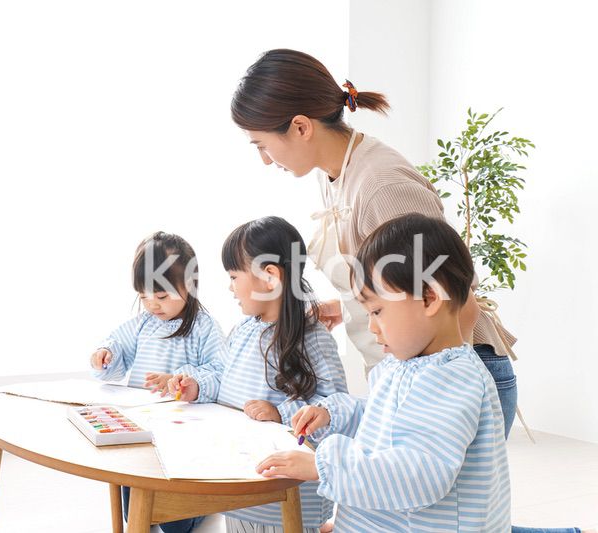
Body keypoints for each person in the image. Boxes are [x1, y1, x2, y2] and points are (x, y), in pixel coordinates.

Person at [232, 48, 591, 533]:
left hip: (452, 364)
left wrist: (328, 465)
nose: (264, 159)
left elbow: (451, 294)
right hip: (413, 364)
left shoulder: (380, 185)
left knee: (452, 517)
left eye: (261, 144)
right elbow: (400, 285)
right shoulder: (336, 177)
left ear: (299, 127)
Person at [257, 213, 511, 532]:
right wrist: (331, 414)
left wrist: (324, 467)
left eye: (377, 311)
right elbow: (381, 418)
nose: (372, 327)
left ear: (429, 298)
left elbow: (420, 476)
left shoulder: (452, 379)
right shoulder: (402, 364)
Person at [170, 216, 347, 533]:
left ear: (270, 277)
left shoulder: (314, 338)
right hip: (239, 487)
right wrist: (197, 386)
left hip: (285, 500)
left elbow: (333, 410)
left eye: (234, 276)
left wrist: (280, 413)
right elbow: (220, 375)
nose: (230, 287)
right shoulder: (243, 331)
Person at [90, 231, 226, 533]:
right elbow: (117, 345)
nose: (152, 304)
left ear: (189, 285)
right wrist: (105, 354)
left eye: (162, 296)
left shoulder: (204, 329)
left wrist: (185, 380)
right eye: (143, 296)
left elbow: (220, 372)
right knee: (135, 513)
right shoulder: (143, 325)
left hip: (184, 435)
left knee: (176, 524)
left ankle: (202, 508)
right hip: (141, 428)